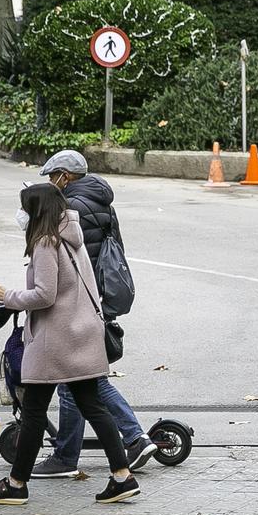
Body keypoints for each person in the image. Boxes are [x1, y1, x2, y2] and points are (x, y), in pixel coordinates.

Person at [0, 183, 139, 506]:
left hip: (56, 341)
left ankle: (16, 483)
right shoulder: (71, 237)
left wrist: (8, 296)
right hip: (81, 334)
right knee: (93, 406)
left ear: (37, 210)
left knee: (35, 412)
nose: (22, 214)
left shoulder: (45, 242)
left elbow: (44, 295)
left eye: (25, 208)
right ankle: (122, 476)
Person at [30, 150, 154, 479]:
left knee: (80, 383)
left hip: (78, 303)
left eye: (52, 177)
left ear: (65, 177)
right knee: (82, 382)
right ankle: (114, 443)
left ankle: (125, 440)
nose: (50, 184)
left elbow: (59, 249)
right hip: (96, 298)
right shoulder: (99, 200)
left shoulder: (74, 207)